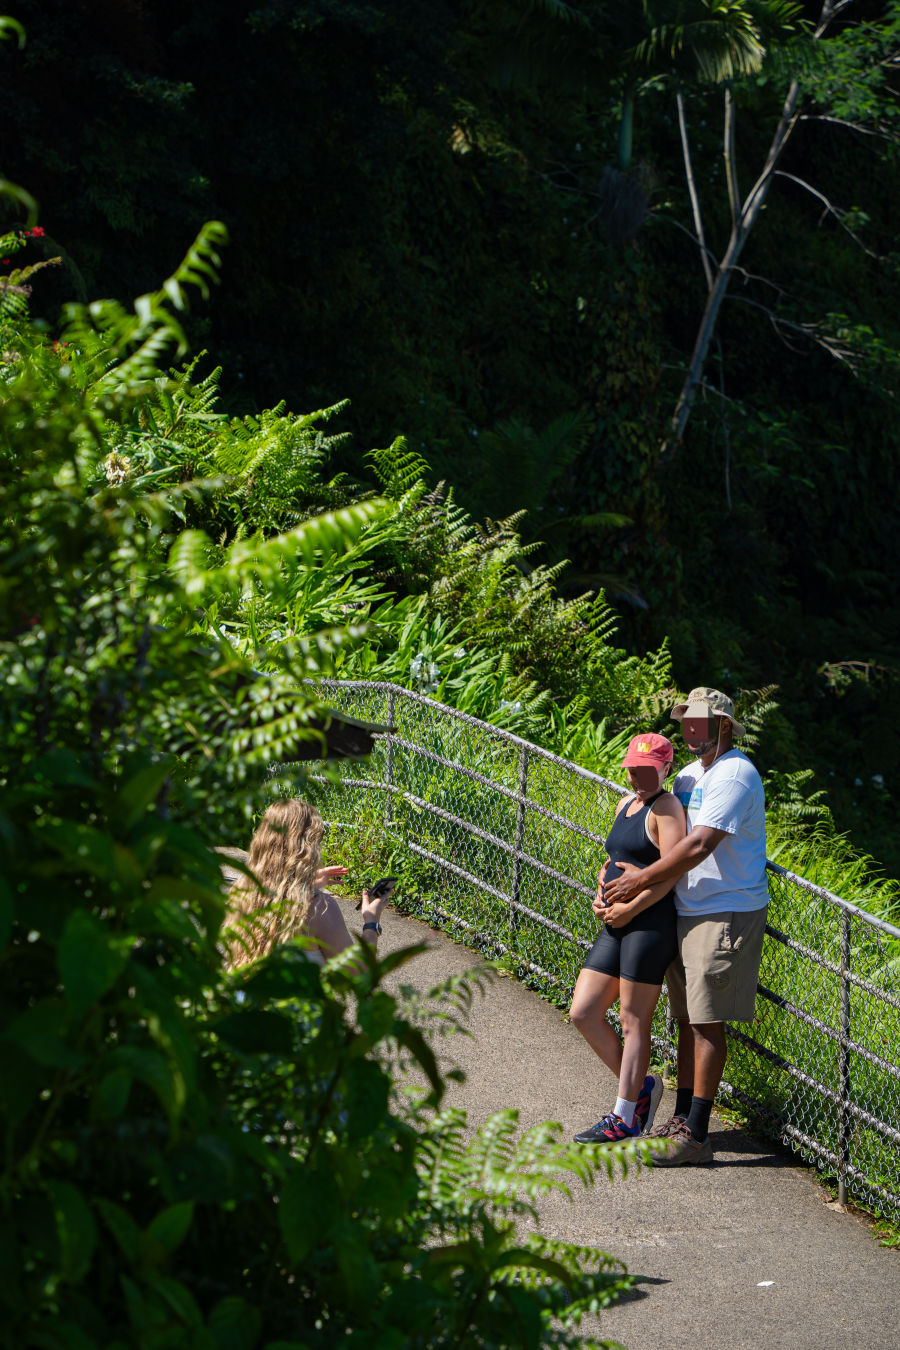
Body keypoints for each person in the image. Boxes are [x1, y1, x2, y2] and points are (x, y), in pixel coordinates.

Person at [602, 687, 769, 1166]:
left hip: (725, 909)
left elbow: (697, 848)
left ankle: (696, 1133)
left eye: (700, 721)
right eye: (686, 721)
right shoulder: (691, 776)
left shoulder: (736, 773)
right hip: (688, 907)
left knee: (706, 1020)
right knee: (686, 1020)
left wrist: (639, 884)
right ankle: (680, 1120)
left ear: (722, 725)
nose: (691, 729)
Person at [570, 733, 686, 1143]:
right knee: (583, 1011)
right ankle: (640, 1093)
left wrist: (629, 907)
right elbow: (615, 856)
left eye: (647, 771)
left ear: (665, 768)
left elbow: (672, 872)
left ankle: (625, 1118)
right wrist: (600, 889)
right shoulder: (626, 803)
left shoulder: (668, 808)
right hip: (614, 921)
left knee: (633, 1020)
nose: (638, 778)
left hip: (650, 924)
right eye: (633, 770)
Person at [221, 799, 391, 967]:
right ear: (308, 848)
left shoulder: (242, 890)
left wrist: (303, 883)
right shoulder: (319, 908)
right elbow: (360, 975)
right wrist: (371, 923)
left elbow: (279, 894)